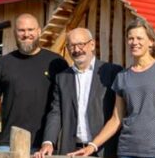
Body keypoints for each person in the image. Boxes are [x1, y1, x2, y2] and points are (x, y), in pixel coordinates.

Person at [69, 18, 155, 158]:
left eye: (139, 38)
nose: (134, 42)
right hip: (126, 150)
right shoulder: (122, 76)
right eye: (130, 38)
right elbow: (116, 119)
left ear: (151, 42)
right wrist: (92, 146)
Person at [0, 13, 69, 151]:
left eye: (30, 30)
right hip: (9, 142)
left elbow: (66, 102)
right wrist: (9, 117)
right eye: (21, 30)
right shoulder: (3, 63)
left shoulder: (56, 63)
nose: (26, 34)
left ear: (39, 31)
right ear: (15, 33)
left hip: (46, 144)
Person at [36, 28, 122, 158]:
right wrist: (48, 142)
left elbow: (119, 115)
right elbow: (56, 112)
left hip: (103, 150)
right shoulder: (62, 77)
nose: (76, 50)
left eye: (81, 44)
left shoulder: (112, 72)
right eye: (71, 46)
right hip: (72, 151)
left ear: (92, 45)